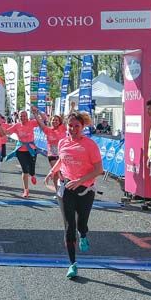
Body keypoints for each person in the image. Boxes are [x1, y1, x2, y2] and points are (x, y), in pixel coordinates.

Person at [45, 112, 104, 279]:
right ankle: (72, 264)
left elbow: (99, 170)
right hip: (66, 188)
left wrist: (80, 180)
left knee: (81, 224)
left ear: (83, 126)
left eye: (77, 126)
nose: (73, 129)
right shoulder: (63, 142)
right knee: (69, 225)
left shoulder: (90, 145)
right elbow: (61, 160)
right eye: (70, 125)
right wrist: (52, 171)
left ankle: (83, 234)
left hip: (85, 189)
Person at [5, 107, 41, 198]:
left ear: (27, 116)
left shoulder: (32, 123)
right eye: (21, 116)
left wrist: (36, 113)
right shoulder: (17, 125)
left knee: (31, 168)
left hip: (31, 149)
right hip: (21, 150)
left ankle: (33, 175)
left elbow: (43, 120)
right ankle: (26, 190)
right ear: (18, 117)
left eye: (24, 116)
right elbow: (6, 132)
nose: (23, 117)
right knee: (25, 170)